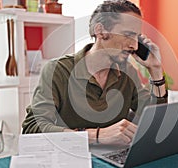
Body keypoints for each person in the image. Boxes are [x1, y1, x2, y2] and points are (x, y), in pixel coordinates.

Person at [22, 0, 167, 145]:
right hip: (72, 157)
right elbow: (32, 128)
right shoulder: (57, 70)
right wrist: (96, 135)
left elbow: (155, 118)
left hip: (113, 157)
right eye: (128, 35)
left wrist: (155, 70)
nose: (134, 45)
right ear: (101, 31)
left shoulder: (128, 72)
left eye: (137, 37)